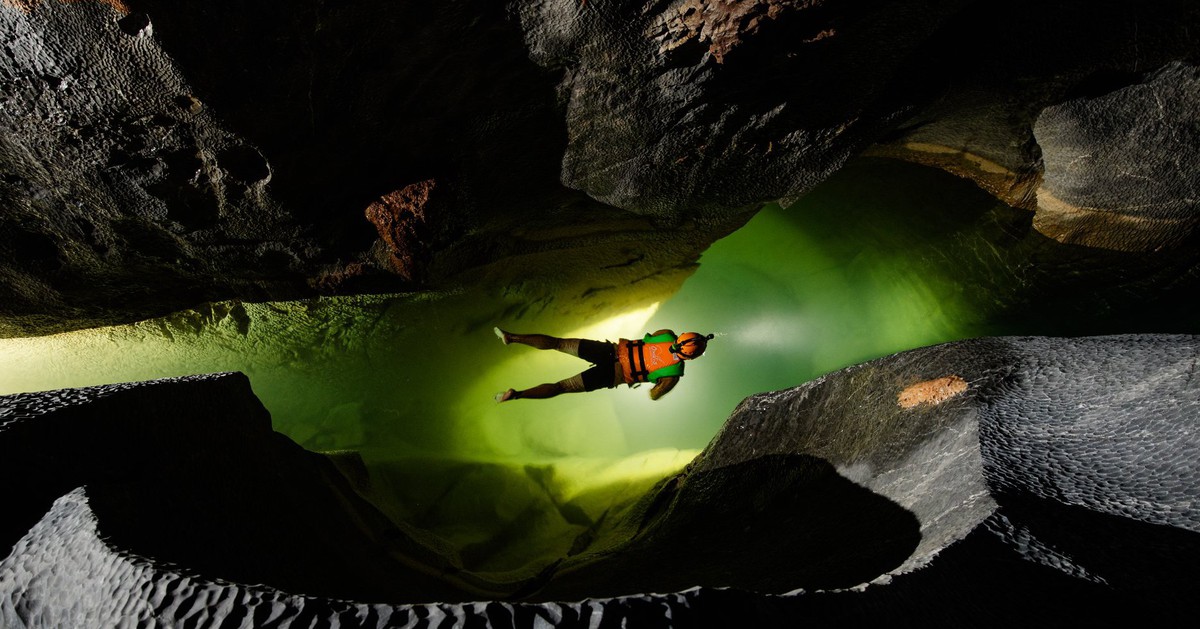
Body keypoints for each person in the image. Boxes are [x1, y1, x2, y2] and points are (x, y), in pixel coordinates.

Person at [493, 327, 714, 402]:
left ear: (681, 336)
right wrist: (653, 380)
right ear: (692, 358)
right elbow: (654, 395)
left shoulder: (666, 334)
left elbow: (649, 338)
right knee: (561, 387)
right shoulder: (673, 375)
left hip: (609, 351)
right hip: (613, 376)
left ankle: (511, 338)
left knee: (558, 343)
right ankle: (516, 395)